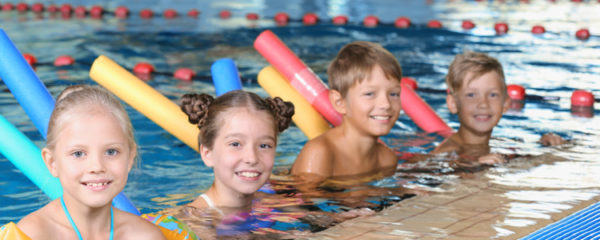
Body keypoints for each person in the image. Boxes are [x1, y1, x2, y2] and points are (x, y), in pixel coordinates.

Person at [17, 85, 165, 239]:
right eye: (78, 153)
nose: (97, 167)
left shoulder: (145, 236)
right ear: (52, 162)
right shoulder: (31, 235)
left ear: (129, 157)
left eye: (111, 152)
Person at [173, 90, 294, 237]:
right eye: (235, 144)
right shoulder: (194, 223)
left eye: (264, 145)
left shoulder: (268, 202)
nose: (252, 158)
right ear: (208, 154)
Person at [291, 41, 403, 181]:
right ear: (340, 102)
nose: (386, 104)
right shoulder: (319, 154)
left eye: (393, 94)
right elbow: (303, 201)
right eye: (370, 94)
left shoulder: (386, 159)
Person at [428, 51, 565, 164]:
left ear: (505, 104)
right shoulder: (447, 153)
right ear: (453, 104)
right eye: (471, 95)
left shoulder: (499, 142)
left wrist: (544, 145)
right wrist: (474, 169)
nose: (483, 104)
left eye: (493, 95)